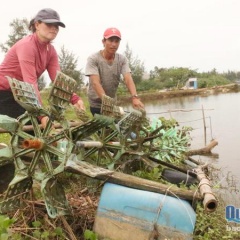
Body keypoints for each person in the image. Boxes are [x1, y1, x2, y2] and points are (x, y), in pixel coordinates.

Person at [0, 8, 85, 128]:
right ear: (37, 24)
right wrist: (41, 115)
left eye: (57, 25)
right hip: (4, 93)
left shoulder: (51, 51)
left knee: (33, 128)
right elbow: (30, 84)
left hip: (19, 93)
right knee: (30, 124)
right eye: (49, 24)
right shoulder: (27, 46)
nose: (54, 28)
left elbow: (58, 80)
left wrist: (75, 99)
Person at [85, 27, 144, 116]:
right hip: (97, 104)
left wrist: (134, 97)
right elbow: (95, 83)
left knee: (119, 127)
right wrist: (107, 103)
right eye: (111, 40)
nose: (114, 44)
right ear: (103, 42)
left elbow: (128, 78)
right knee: (107, 128)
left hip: (112, 103)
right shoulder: (93, 59)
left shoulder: (122, 59)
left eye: (117, 41)